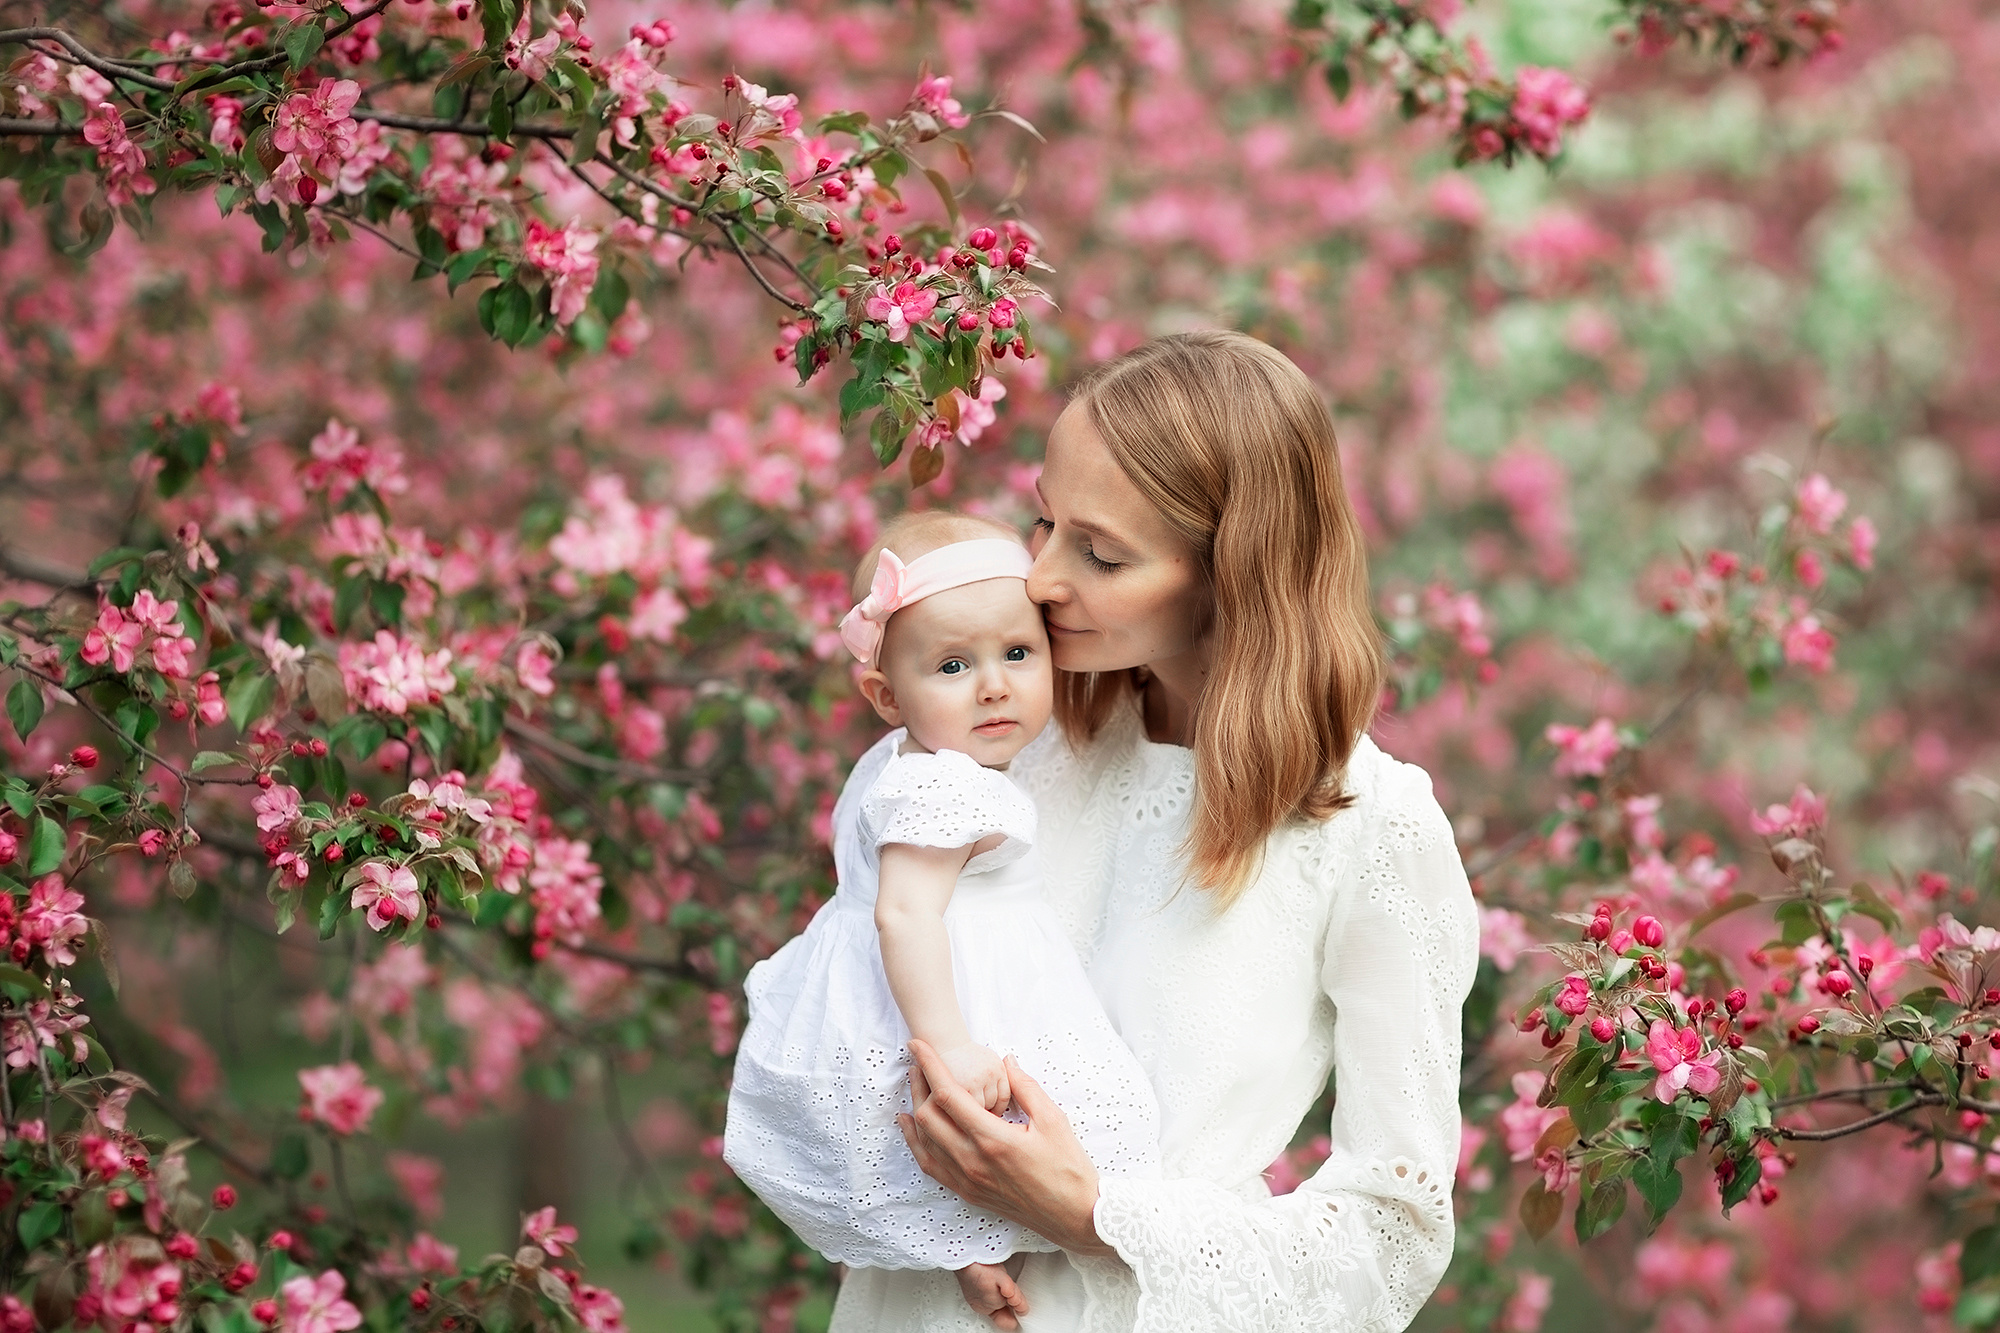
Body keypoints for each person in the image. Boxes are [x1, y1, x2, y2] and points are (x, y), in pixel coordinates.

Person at [830, 331, 1481, 1332]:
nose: (1040, 579)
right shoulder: (1004, 753)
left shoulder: (1370, 829)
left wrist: (1097, 1215)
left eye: (1098, 552)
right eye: (1042, 522)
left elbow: (1390, 1241)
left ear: (1232, 571)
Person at [724, 512, 1162, 1331]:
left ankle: (970, 1252)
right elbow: (904, 910)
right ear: (886, 694)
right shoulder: (946, 785)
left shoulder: (900, 760)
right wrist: (952, 1043)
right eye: (954, 664)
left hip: (881, 1001)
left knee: (931, 1152)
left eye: (1018, 653)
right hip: (941, 998)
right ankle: (1010, 1244)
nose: (994, 684)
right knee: (1063, 1124)